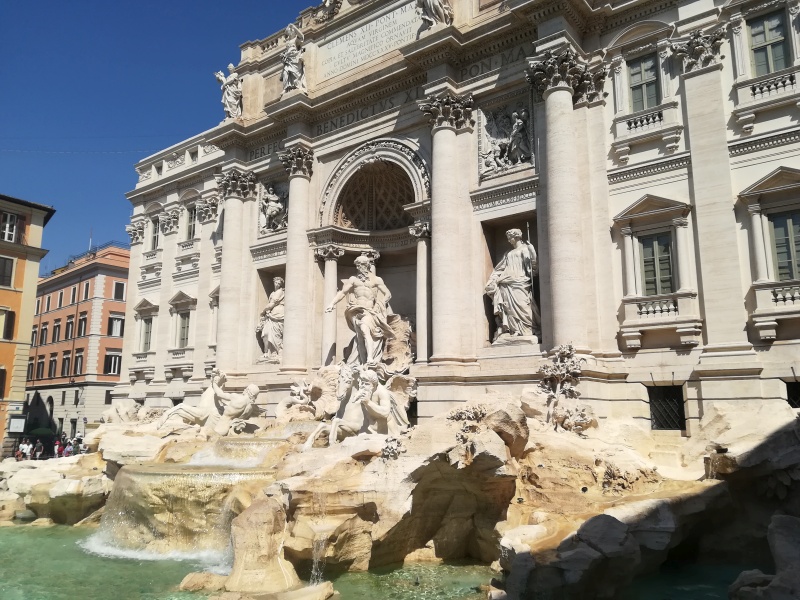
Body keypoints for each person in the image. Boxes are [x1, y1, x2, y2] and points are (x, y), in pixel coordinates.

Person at [325, 255, 395, 366]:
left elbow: (388, 294)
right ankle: (362, 362)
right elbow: (343, 292)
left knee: (365, 330)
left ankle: (370, 358)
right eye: (357, 265)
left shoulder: (376, 280)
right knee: (360, 337)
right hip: (356, 310)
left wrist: (379, 305)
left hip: (369, 311)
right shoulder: (353, 279)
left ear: (367, 265)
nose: (359, 267)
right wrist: (332, 303)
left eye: (361, 265)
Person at [485, 228, 541, 340]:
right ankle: (514, 330)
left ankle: (528, 329)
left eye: (510, 238)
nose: (508, 240)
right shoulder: (508, 253)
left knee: (523, 305)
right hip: (506, 282)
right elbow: (500, 268)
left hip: (521, 281)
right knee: (508, 307)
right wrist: (493, 280)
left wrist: (533, 252)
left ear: (516, 237)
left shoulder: (526, 249)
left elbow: (533, 268)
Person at [257, 277, 285, 364]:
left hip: (278, 314)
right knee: (266, 333)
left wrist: (263, 311)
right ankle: (267, 352)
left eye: (278, 283)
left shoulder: (280, 292)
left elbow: (272, 304)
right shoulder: (273, 293)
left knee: (276, 334)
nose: (277, 284)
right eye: (276, 282)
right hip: (271, 315)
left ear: (281, 285)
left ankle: (276, 352)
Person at [280, 24, 306, 95]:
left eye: (291, 31)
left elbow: (302, 36)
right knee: (285, 72)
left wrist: (294, 27)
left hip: (295, 58)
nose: (290, 33)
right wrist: (283, 55)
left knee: (294, 73)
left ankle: (296, 85)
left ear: (294, 32)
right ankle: (286, 88)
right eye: (289, 32)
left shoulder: (296, 39)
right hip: (288, 59)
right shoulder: (288, 41)